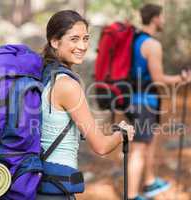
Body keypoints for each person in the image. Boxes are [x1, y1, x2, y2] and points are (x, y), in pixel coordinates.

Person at [37, 10, 135, 200]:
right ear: (55, 41)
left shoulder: (43, 74)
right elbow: (101, 146)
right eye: (74, 39)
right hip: (56, 187)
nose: (82, 46)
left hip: (38, 181)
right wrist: (122, 134)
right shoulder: (67, 85)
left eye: (85, 38)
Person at [128, 4, 191, 200]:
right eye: (162, 17)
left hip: (139, 99)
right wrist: (181, 79)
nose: (163, 21)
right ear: (155, 18)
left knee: (150, 143)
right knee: (139, 148)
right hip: (143, 101)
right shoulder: (152, 45)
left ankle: (149, 182)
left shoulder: (135, 39)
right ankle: (131, 196)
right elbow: (158, 79)